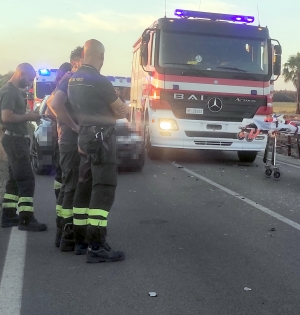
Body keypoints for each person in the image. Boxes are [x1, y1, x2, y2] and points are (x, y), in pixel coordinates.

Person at [68, 39, 129, 263]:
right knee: (103, 189)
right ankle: (97, 246)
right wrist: (121, 104)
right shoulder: (99, 80)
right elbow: (121, 111)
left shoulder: (73, 80)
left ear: (84, 55)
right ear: (100, 56)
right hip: (102, 139)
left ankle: (81, 241)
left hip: (84, 136)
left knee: (83, 187)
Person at [0, 63, 47, 231]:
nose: (30, 83)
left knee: (14, 179)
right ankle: (26, 220)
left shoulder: (13, 91)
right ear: (21, 74)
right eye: (29, 79)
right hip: (14, 140)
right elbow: (6, 117)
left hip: (15, 139)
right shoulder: (9, 92)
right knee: (27, 179)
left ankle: (8, 215)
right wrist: (29, 116)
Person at [46, 47, 83, 250]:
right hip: (71, 141)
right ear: (77, 61)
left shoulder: (68, 79)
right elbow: (54, 104)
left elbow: (53, 105)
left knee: (66, 186)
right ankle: (68, 237)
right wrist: (73, 126)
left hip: (67, 140)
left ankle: (62, 232)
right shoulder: (71, 78)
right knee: (71, 187)